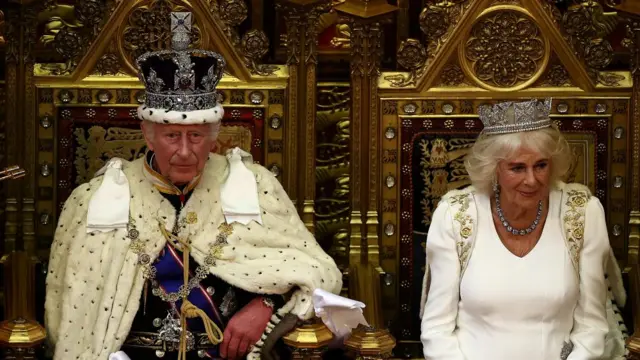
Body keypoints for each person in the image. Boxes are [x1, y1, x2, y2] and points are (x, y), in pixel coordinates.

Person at [44, 12, 342, 360]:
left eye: (196, 136)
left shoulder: (254, 184)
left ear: (214, 136)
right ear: (148, 135)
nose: (185, 152)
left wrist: (266, 302)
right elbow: (72, 310)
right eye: (172, 136)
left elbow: (318, 272)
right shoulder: (95, 199)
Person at [419, 98, 627, 360]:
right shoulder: (457, 214)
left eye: (541, 165)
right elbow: (437, 328)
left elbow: (592, 325)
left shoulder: (582, 212)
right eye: (517, 168)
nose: (532, 180)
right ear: (494, 169)